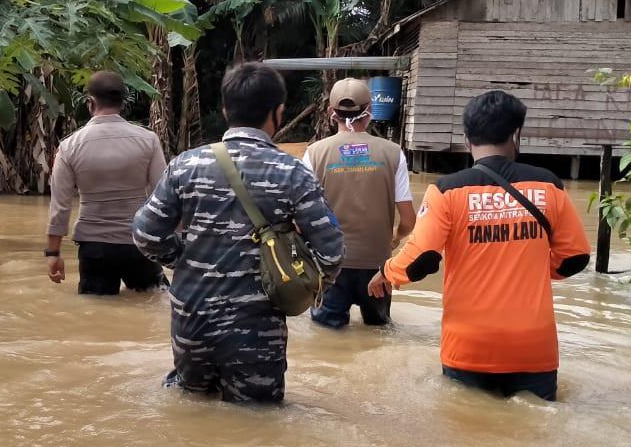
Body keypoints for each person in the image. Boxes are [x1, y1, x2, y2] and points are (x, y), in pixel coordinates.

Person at [133, 62, 344, 403]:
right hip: (258, 331)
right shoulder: (293, 173)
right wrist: (297, 287)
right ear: (277, 113)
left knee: (192, 415)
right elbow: (331, 254)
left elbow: (145, 233)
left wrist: (182, 258)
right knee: (256, 426)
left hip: (192, 323)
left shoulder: (184, 164)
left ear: (225, 109)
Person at [367, 90, 590, 401]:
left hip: (469, 345)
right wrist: (530, 269)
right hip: (533, 346)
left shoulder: (446, 191)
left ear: (466, 136)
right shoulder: (549, 186)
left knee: (466, 428)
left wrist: (386, 272)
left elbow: (423, 259)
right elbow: (575, 258)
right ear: (516, 134)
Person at [302, 78, 414, 328]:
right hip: (377, 265)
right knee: (378, 335)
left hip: (330, 265)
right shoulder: (393, 153)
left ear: (332, 113)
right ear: (370, 111)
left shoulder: (314, 154)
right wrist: (395, 238)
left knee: (327, 340)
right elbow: (408, 221)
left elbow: (302, 216)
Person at [45, 71, 167, 295]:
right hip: (139, 243)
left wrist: (53, 254)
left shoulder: (69, 146)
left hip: (94, 248)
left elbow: (60, 206)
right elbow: (163, 196)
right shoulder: (148, 140)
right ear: (122, 103)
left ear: (89, 103)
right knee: (152, 304)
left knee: (96, 316)